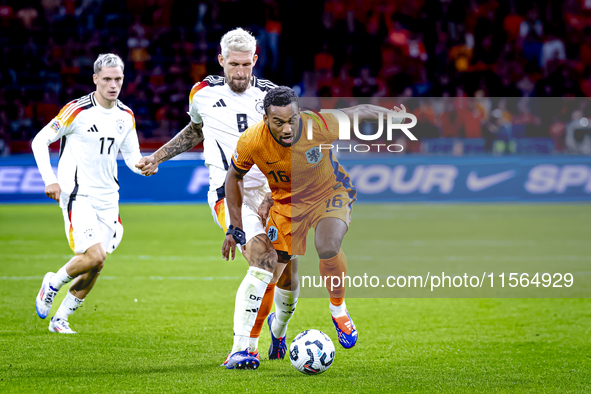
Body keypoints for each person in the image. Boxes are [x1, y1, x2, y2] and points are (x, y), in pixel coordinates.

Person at [136, 28, 299, 367]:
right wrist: (158, 157)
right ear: (221, 60)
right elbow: (195, 129)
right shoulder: (202, 93)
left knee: (288, 272)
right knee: (262, 261)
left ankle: (278, 330)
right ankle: (243, 348)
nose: (240, 73)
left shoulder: (270, 98)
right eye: (233, 65)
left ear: (255, 60)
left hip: (271, 192)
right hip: (228, 192)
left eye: (246, 65)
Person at [222, 86, 408, 368]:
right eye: (278, 122)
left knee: (327, 245)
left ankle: (338, 309)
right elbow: (234, 176)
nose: (287, 128)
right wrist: (235, 226)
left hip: (329, 192)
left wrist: (390, 118)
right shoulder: (251, 141)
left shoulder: (318, 125)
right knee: (277, 275)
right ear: (265, 119)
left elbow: (359, 112)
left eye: (292, 120)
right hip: (286, 204)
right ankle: (278, 329)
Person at [32, 53, 151, 334]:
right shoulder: (77, 110)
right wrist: (50, 180)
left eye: (118, 79)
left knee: (96, 265)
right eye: (107, 79)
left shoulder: (126, 115)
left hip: (109, 199)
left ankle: (60, 319)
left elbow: (132, 157)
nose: (113, 85)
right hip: (78, 194)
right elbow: (40, 141)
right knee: (95, 256)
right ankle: (52, 282)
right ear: (95, 79)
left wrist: (145, 166)